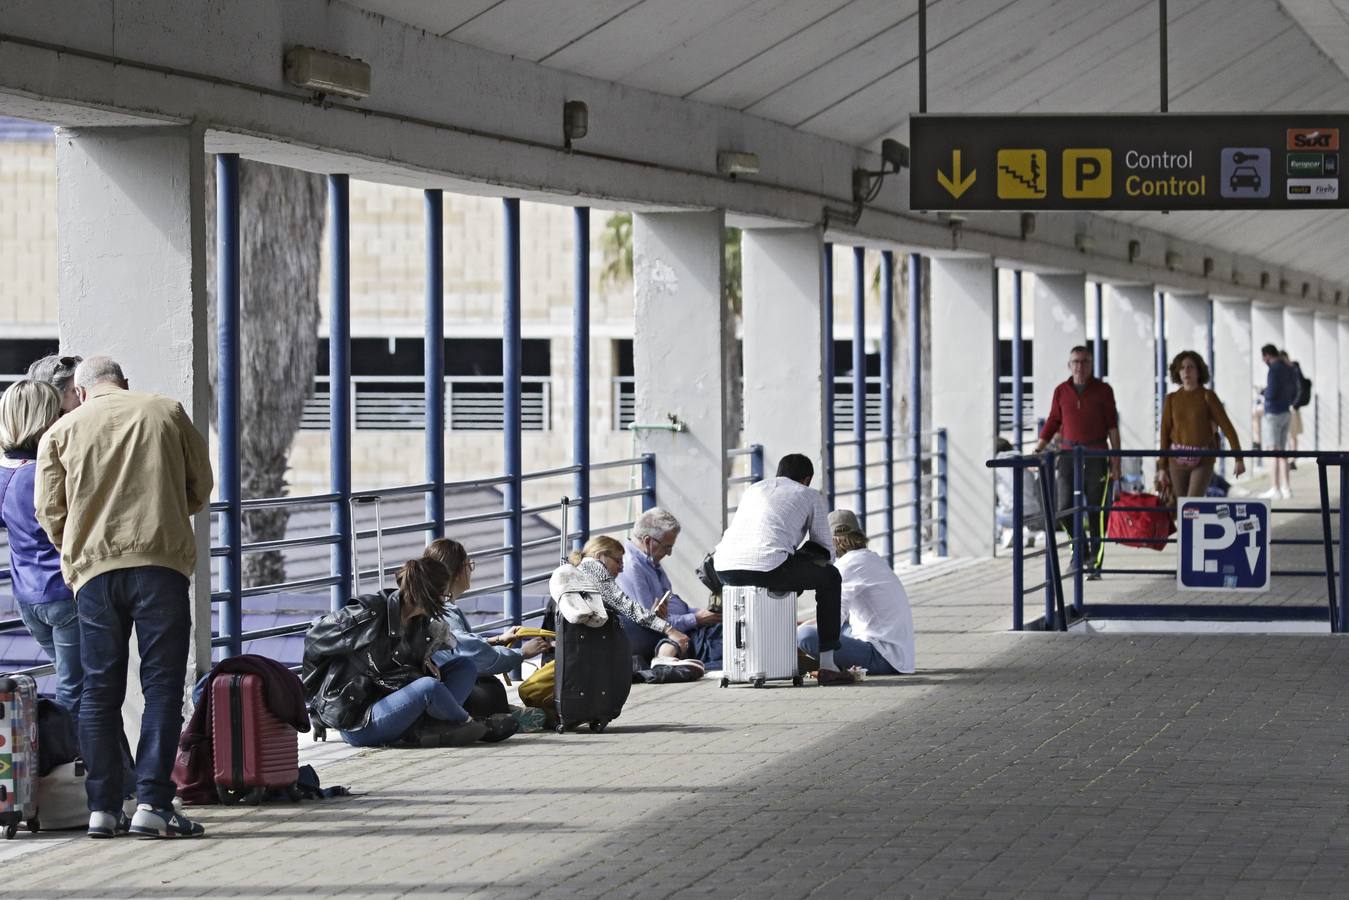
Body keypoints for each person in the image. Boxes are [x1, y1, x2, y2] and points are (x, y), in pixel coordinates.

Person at [34, 356, 214, 840]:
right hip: (161, 567)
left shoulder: (62, 430)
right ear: (124, 383)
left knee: (98, 692)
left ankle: (102, 809)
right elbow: (201, 485)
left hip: (95, 574)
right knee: (161, 690)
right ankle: (153, 804)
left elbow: (49, 510)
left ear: (81, 390)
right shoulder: (166, 411)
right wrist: (169, 511)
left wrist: (79, 548)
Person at [329, 557, 516, 748]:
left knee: (464, 666)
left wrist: (423, 659)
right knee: (429, 687)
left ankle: (436, 727)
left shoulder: (418, 622)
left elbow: (402, 672)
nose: (444, 603)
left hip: (399, 708)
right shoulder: (372, 614)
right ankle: (469, 724)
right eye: (444, 597)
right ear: (430, 595)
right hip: (362, 720)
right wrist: (319, 712)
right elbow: (319, 641)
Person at [712, 453, 851, 686]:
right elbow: (826, 549)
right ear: (806, 479)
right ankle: (828, 664)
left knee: (788, 572)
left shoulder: (754, 489)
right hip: (767, 566)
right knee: (830, 578)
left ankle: (765, 656)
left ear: (778, 473)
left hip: (724, 567)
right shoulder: (808, 494)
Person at [0, 380, 82, 720]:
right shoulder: (47, 472)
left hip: (28, 599)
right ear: (43, 420)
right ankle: (80, 760)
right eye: (57, 412)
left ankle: (106, 762)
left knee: (73, 682)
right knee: (77, 688)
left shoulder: (4, 474)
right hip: (64, 593)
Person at [423, 537, 551, 717]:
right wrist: (522, 653)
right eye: (469, 564)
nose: (471, 570)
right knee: (491, 692)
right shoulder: (445, 612)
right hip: (451, 691)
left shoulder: (432, 607)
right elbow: (472, 656)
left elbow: (455, 645)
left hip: (441, 685)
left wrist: (497, 639)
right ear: (458, 571)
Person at [1032, 345, 1120, 580]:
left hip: (1097, 454)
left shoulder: (1103, 390)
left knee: (1096, 511)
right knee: (1063, 509)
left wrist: (1116, 461)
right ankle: (1079, 551)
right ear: (1069, 365)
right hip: (1068, 454)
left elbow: (1113, 426)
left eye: (1084, 361)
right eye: (1076, 362)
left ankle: (1095, 562)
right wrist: (1037, 449)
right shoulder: (1061, 391)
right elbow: (1053, 420)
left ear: (1091, 364)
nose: (1080, 366)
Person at [797, 510, 914, 676]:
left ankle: (826, 663)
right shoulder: (870, 558)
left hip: (882, 657)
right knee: (810, 626)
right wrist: (809, 622)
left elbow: (834, 618)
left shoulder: (846, 566)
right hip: (898, 654)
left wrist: (799, 633)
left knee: (804, 636)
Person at [615, 507, 722, 670]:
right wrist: (695, 619)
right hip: (676, 636)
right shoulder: (632, 568)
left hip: (684, 630)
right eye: (667, 547)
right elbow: (652, 622)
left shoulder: (649, 561)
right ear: (648, 542)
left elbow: (668, 605)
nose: (670, 553)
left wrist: (698, 614)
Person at [561, 536, 693, 665]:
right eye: (618, 561)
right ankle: (663, 658)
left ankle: (663, 657)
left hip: (591, 640)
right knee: (666, 633)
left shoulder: (579, 571)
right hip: (598, 641)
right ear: (600, 555)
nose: (622, 568)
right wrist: (669, 629)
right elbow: (625, 606)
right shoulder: (593, 567)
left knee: (654, 626)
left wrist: (653, 617)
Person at [1157, 350, 1244, 499]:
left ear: (1199, 371)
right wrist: (1162, 467)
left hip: (1203, 459)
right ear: (1177, 372)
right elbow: (1164, 434)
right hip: (1176, 460)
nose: (1186, 371)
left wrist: (1238, 458)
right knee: (1181, 506)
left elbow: (1227, 427)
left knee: (1192, 504)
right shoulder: (1171, 399)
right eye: (1182, 368)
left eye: (1191, 367)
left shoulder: (1207, 396)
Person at [1260, 344, 1300, 499]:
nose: (1264, 361)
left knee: (1273, 451)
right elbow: (1296, 390)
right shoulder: (1289, 367)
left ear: (1267, 355)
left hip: (1273, 413)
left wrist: (1264, 392)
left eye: (1263, 358)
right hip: (1286, 411)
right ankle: (1286, 488)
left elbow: (1271, 392)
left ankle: (1274, 488)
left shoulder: (1274, 369)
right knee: (1283, 451)